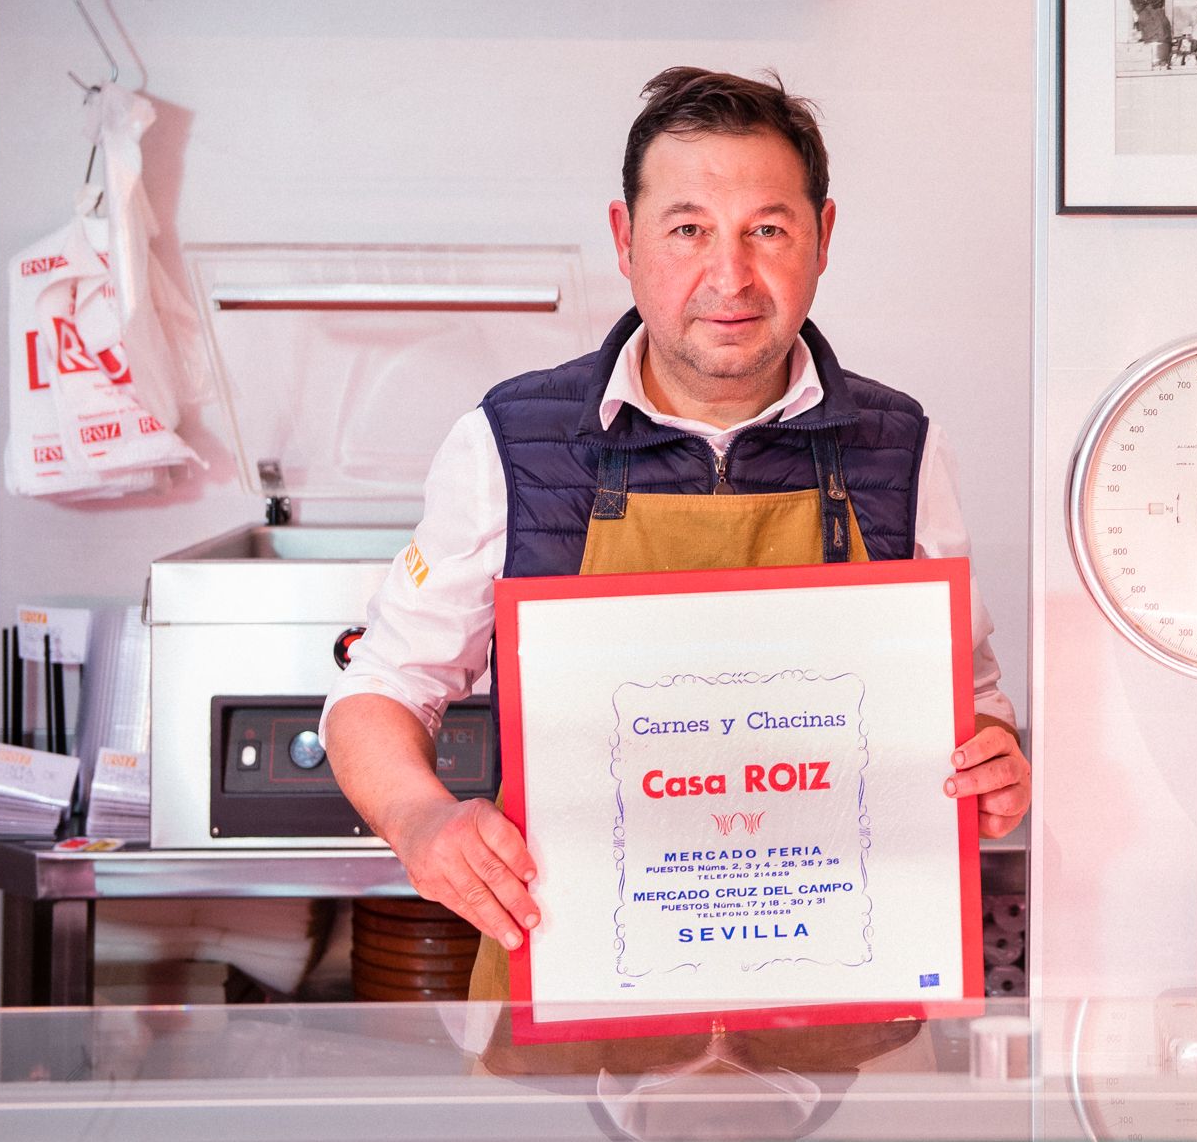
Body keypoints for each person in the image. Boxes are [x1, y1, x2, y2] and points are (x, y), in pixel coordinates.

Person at [323, 68, 1030, 1071]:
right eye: (689, 228)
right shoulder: (511, 441)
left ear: (823, 235)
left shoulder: (901, 445)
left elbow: (969, 699)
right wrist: (420, 818)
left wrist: (991, 755)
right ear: (625, 238)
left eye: (768, 230)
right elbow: (385, 686)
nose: (731, 276)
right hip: (572, 1004)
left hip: (837, 1021)